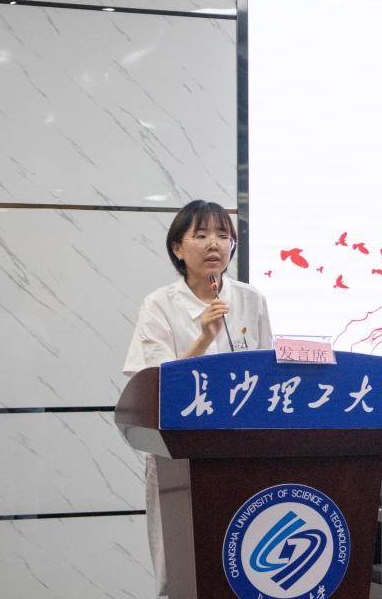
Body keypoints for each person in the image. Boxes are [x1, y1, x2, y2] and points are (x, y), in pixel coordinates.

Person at [122, 200, 272, 598]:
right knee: (182, 565)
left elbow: (269, 376)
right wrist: (204, 339)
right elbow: (153, 385)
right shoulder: (159, 305)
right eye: (201, 235)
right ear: (178, 248)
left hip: (244, 450)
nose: (214, 245)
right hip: (179, 454)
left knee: (243, 560)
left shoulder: (251, 300)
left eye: (223, 236)